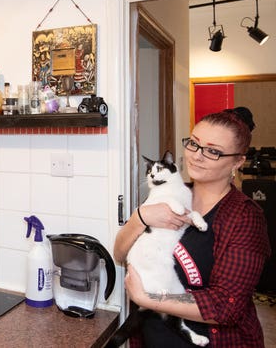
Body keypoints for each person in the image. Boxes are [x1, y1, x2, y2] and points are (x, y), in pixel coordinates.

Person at [113, 107, 271, 347]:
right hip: (151, 338)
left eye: (213, 151)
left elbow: (226, 307)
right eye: (194, 144)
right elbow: (120, 254)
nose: (197, 156)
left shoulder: (245, 217)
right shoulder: (168, 193)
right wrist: (140, 217)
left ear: (238, 161)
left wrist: (147, 298)